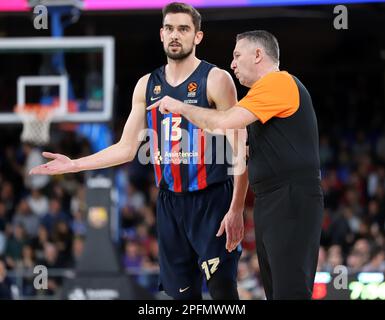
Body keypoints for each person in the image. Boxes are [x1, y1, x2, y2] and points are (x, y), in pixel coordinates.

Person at [30, 2, 249, 300]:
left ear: (197, 36)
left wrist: (236, 208)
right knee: (182, 295)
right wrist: (74, 165)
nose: (175, 35)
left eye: (184, 29)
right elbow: (126, 148)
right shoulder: (146, 85)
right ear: (161, 34)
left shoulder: (216, 79)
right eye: (170, 28)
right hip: (170, 204)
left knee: (223, 292)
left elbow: (240, 148)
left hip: (212, 200)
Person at [149, 30, 324, 300]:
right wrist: (236, 208)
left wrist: (181, 107)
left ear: (258, 55)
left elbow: (223, 121)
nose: (232, 64)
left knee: (290, 293)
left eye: (237, 55)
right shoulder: (260, 100)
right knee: (277, 292)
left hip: (290, 197)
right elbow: (236, 147)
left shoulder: (278, 82)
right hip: (270, 200)